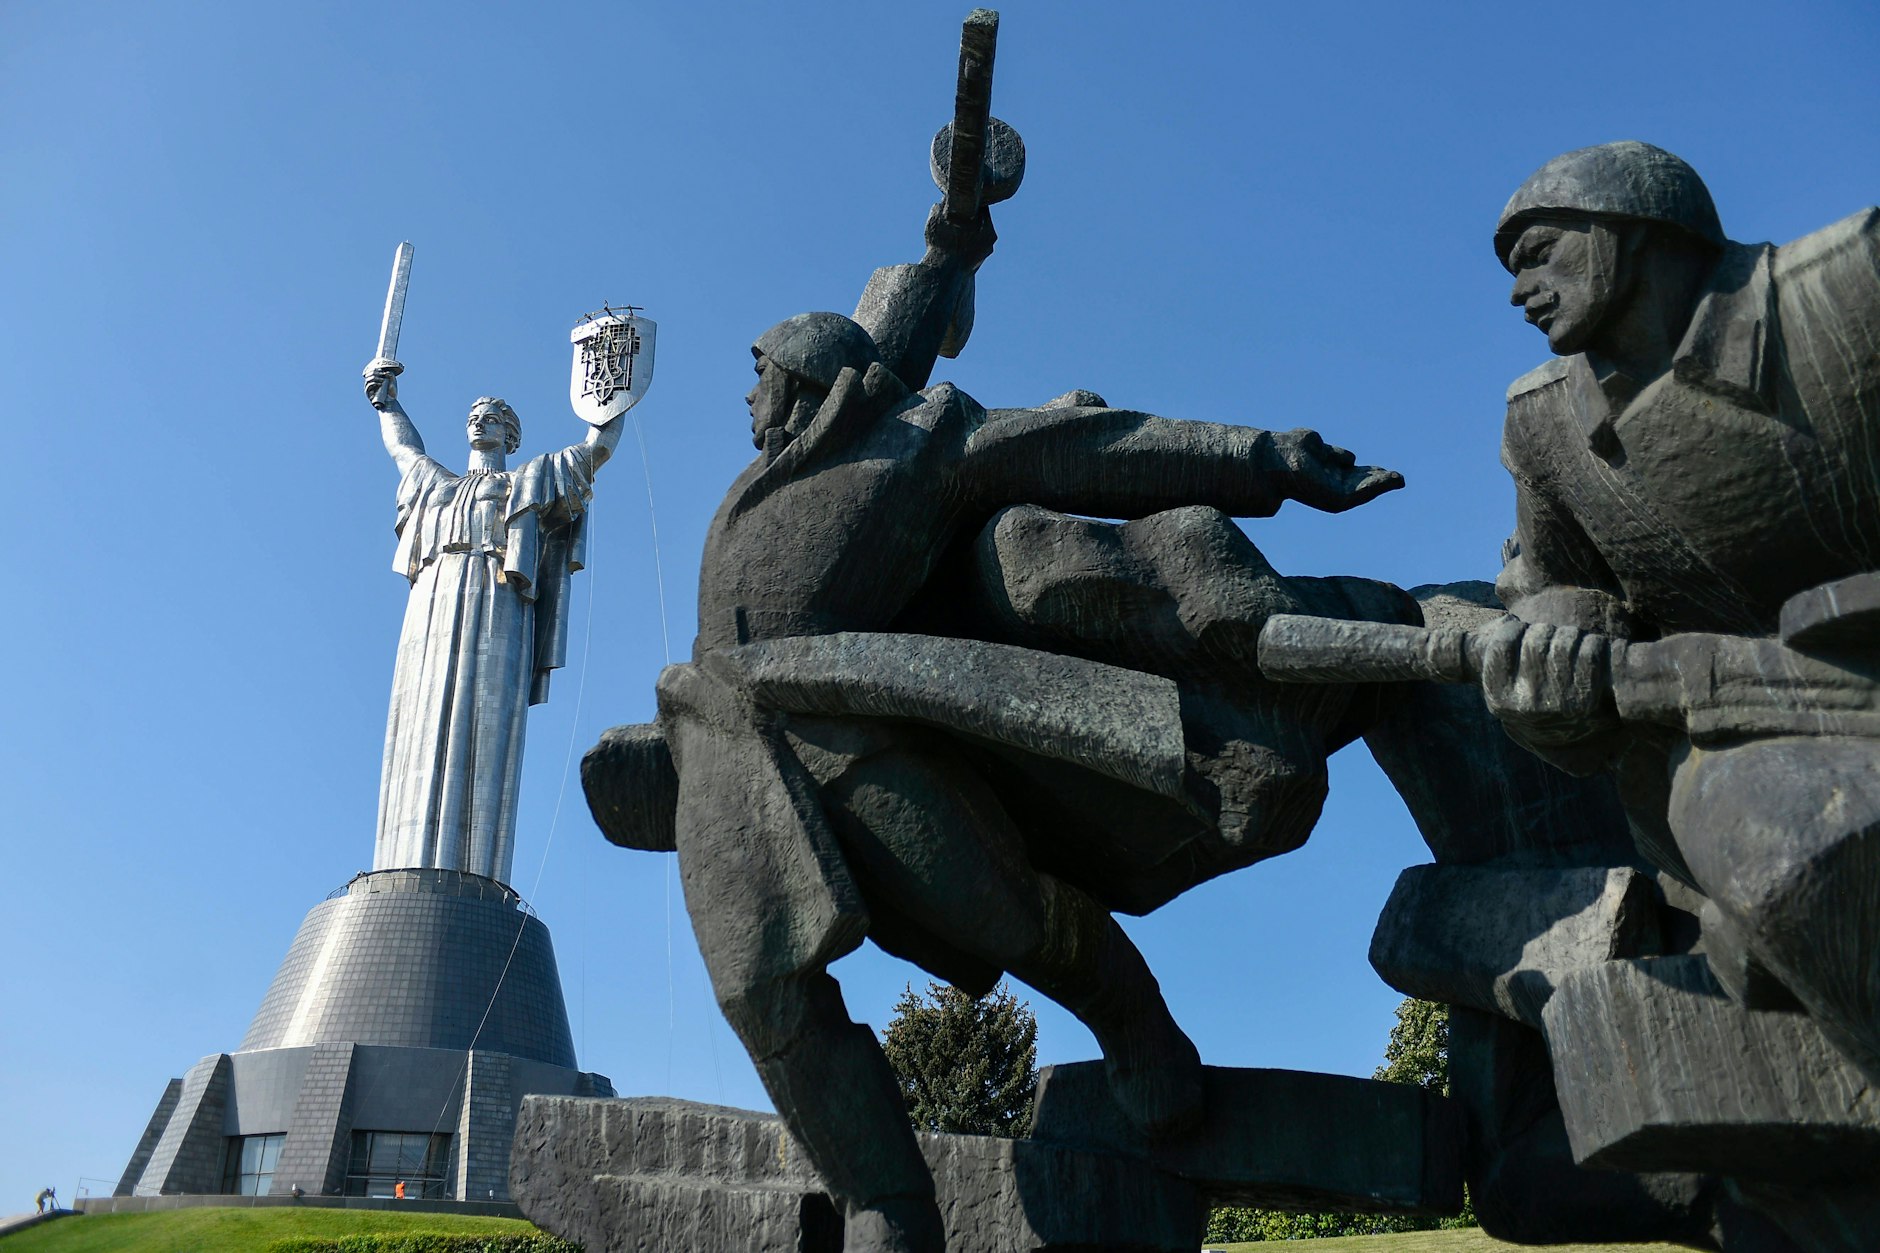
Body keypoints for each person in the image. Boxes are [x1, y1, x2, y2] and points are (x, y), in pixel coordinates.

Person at [648, 211, 1402, 1247]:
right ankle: (885, 1204)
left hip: (859, 726)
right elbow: (889, 326)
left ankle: (1127, 1011)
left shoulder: (921, 442)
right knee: (755, 985)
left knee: (997, 908)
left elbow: (1091, 448)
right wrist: (944, 250)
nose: (743, 396)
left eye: (755, 374)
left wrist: (1264, 459)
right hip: (722, 748)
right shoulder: (763, 471)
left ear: (798, 374)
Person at [1479, 141, 1880, 1079]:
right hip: (1733, 743)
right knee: (1794, 864)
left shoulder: (1848, 292)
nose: (1519, 290)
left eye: (1540, 251)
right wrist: (1554, 661)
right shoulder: (1543, 424)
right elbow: (1558, 587)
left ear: (1634, 228)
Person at [362, 368, 624, 883]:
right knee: (416, 721)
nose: (480, 422)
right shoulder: (437, 485)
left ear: (512, 433)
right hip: (431, 600)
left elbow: (595, 452)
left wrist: (614, 397)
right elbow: (403, 450)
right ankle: (398, 869)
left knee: (485, 721)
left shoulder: (526, 480)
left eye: (493, 418)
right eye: (474, 417)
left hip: (497, 595)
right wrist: (388, 405)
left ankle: (475, 875)